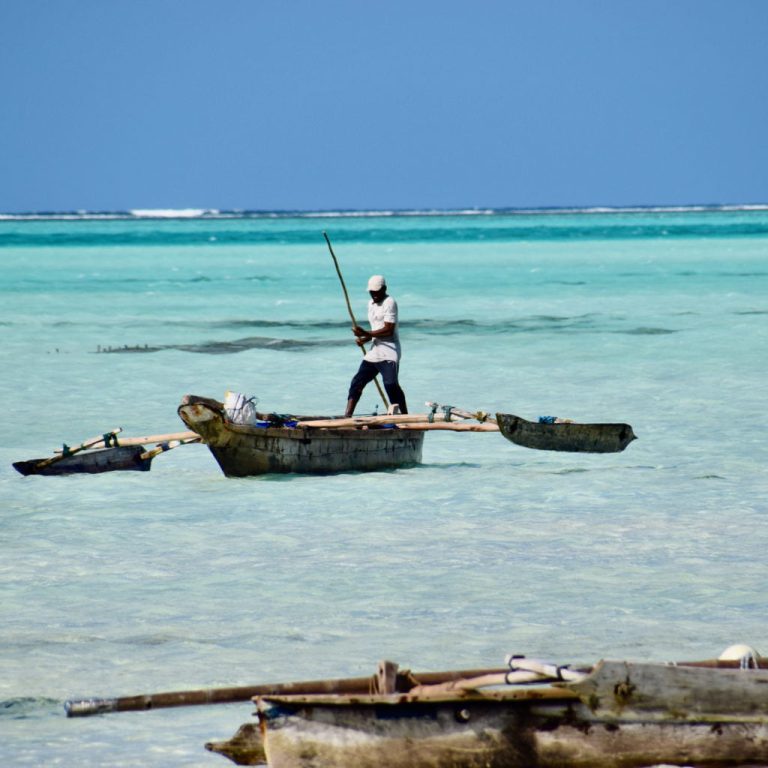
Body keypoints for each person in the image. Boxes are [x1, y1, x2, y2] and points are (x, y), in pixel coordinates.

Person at [345, 275, 408, 417]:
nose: (374, 295)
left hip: (390, 350)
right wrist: (365, 338)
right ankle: (347, 416)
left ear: (384, 289)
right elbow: (377, 328)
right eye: (371, 292)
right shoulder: (371, 304)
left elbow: (388, 329)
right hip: (375, 350)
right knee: (357, 382)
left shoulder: (389, 302)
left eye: (377, 292)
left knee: (391, 385)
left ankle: (403, 416)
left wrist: (366, 332)